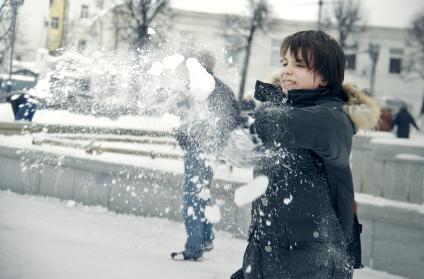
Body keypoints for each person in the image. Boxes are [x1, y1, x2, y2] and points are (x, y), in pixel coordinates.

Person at [231, 30, 380, 278]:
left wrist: (252, 129)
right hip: (266, 251)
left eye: (299, 64)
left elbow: (296, 124)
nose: (286, 70)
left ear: (324, 78)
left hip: (315, 259)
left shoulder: (335, 120)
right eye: (285, 62)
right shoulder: (280, 112)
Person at [172, 50, 240, 261]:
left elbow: (179, 116)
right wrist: (220, 145)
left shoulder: (197, 87)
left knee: (193, 197)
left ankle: (194, 247)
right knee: (202, 193)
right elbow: (234, 119)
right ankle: (206, 237)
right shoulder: (221, 88)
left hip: (198, 149)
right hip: (211, 150)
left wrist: (184, 136)